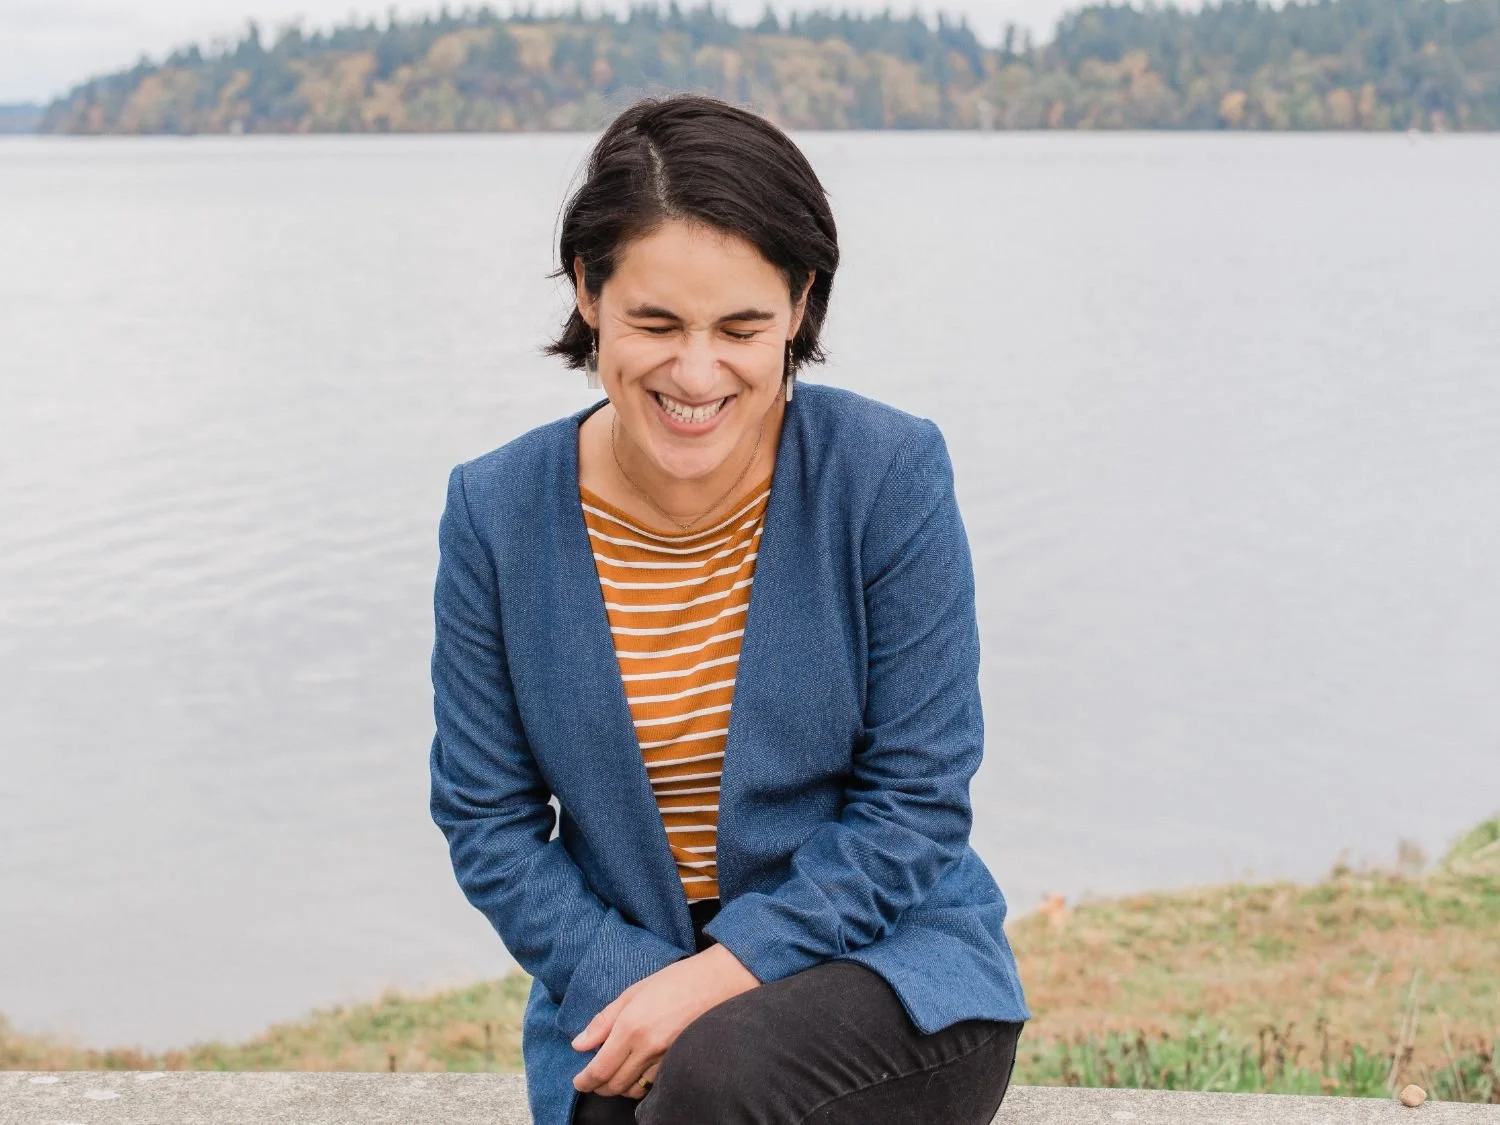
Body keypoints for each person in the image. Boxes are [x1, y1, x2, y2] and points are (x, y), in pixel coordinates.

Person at [428, 94, 1029, 1125]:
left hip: (888, 972)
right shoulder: (495, 512)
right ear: (588, 293)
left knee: (716, 1079)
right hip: (626, 979)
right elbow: (488, 819)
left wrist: (712, 984)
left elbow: (918, 799)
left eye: (742, 326)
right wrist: (634, 979)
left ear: (798, 305)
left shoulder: (886, 476)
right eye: (656, 322)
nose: (696, 372)